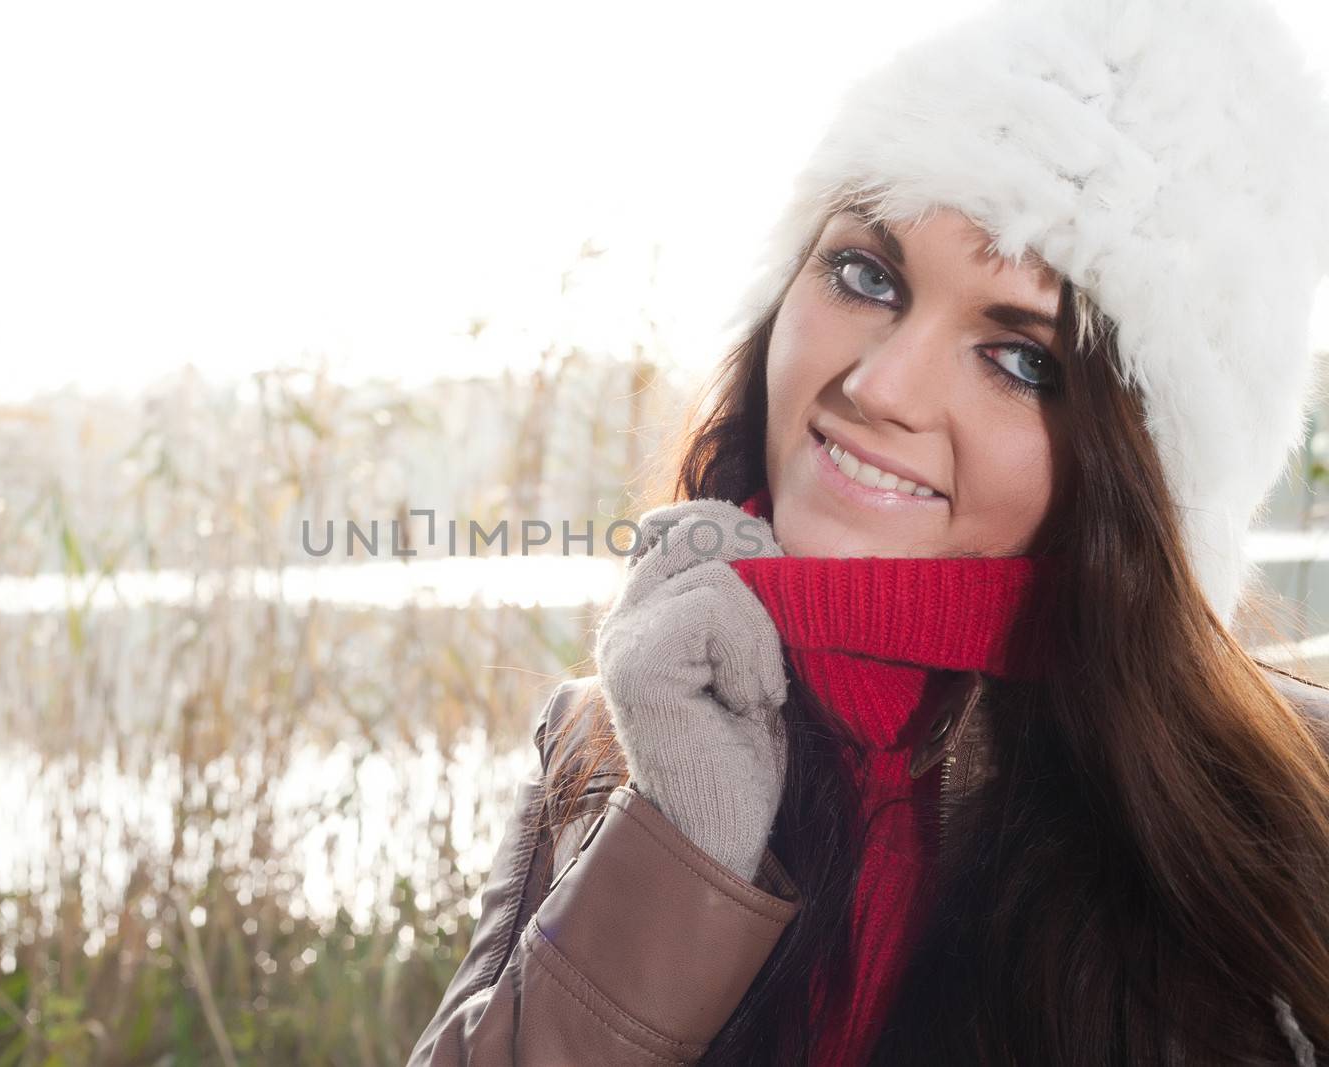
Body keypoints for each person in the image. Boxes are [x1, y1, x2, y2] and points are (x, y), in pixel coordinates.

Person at [407, 0, 1329, 1062]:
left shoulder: (1280, 801)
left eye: (1022, 357)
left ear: (1141, 471)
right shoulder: (605, 740)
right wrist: (683, 839)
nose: (878, 386)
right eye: (865, 275)